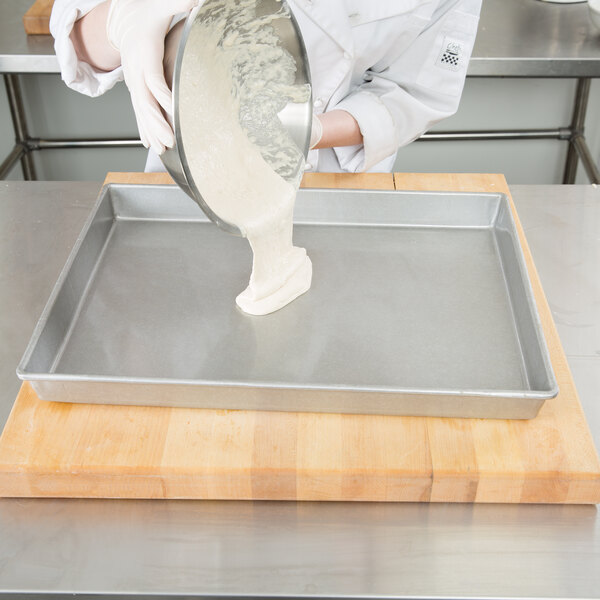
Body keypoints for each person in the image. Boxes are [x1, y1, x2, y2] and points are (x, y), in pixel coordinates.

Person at [51, 0, 481, 173]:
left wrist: (309, 132)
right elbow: (80, 45)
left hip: (338, 179)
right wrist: (123, 21)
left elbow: (413, 93)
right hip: (194, 162)